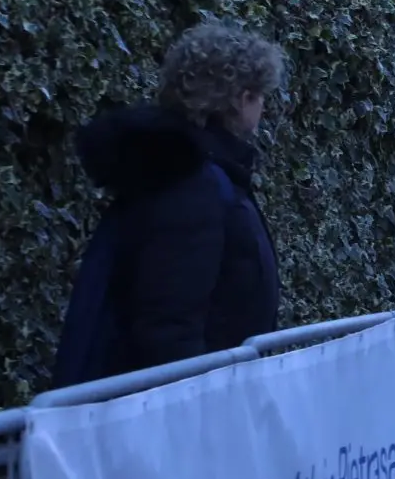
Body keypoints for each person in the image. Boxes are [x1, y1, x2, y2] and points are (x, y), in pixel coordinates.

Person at [56, 22, 287, 384]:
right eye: (260, 96)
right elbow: (168, 324)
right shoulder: (194, 185)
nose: (262, 108)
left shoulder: (188, 171)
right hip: (196, 411)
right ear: (241, 98)